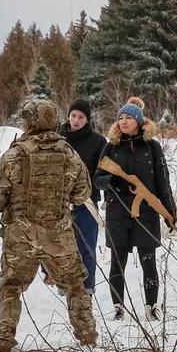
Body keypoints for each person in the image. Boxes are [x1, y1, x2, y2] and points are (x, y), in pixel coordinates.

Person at [0, 97, 97, 352]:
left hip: (20, 234)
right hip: (58, 235)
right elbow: (82, 193)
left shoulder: (14, 154)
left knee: (11, 286)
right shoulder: (69, 154)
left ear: (28, 121)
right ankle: (88, 337)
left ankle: (4, 340)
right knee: (74, 285)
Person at [95, 96, 177, 321]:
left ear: (139, 121)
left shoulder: (152, 147)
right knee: (117, 263)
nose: (123, 121)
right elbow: (98, 178)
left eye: (129, 117)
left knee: (148, 262)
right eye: (120, 118)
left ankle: (151, 306)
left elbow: (163, 181)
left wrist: (170, 211)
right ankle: (118, 307)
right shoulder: (111, 146)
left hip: (147, 213)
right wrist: (112, 182)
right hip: (117, 212)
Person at [59, 99, 107, 293]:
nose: (76, 120)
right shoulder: (58, 138)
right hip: (60, 202)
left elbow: (101, 173)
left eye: (80, 117)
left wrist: (88, 186)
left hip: (87, 202)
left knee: (86, 246)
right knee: (62, 246)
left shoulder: (98, 142)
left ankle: (87, 287)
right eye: (73, 116)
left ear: (87, 119)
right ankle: (65, 285)